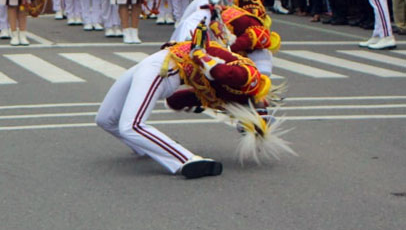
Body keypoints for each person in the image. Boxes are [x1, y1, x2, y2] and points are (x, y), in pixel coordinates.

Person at [95, 27, 289, 179]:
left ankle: (187, 159)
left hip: (165, 70)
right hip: (164, 61)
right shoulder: (251, 81)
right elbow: (223, 72)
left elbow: (178, 100)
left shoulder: (226, 99)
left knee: (131, 126)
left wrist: (199, 57)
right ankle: (150, 146)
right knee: (105, 119)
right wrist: (201, 55)